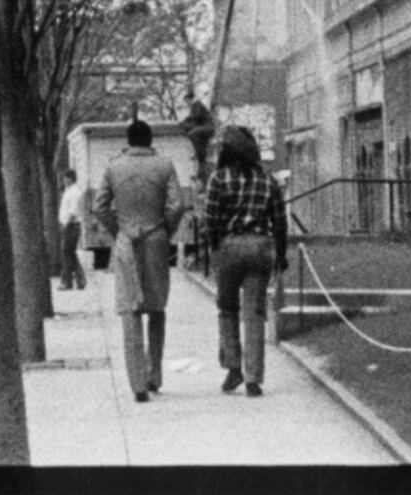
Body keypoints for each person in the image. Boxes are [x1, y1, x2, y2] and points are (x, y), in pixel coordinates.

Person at [192, 123, 292, 395]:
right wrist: (280, 255)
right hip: (260, 247)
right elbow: (280, 222)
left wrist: (214, 248)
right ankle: (253, 377)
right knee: (255, 312)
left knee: (227, 308)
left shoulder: (218, 178)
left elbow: (210, 219)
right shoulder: (267, 180)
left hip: (229, 246)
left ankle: (233, 366)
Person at [97, 117, 183, 401]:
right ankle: (154, 375)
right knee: (157, 308)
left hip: (125, 240)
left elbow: (99, 207)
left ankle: (137, 384)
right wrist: (164, 230)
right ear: (150, 141)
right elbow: (176, 206)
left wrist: (118, 229)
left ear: (128, 140)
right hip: (156, 239)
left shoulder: (113, 166)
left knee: (130, 311)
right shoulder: (165, 165)